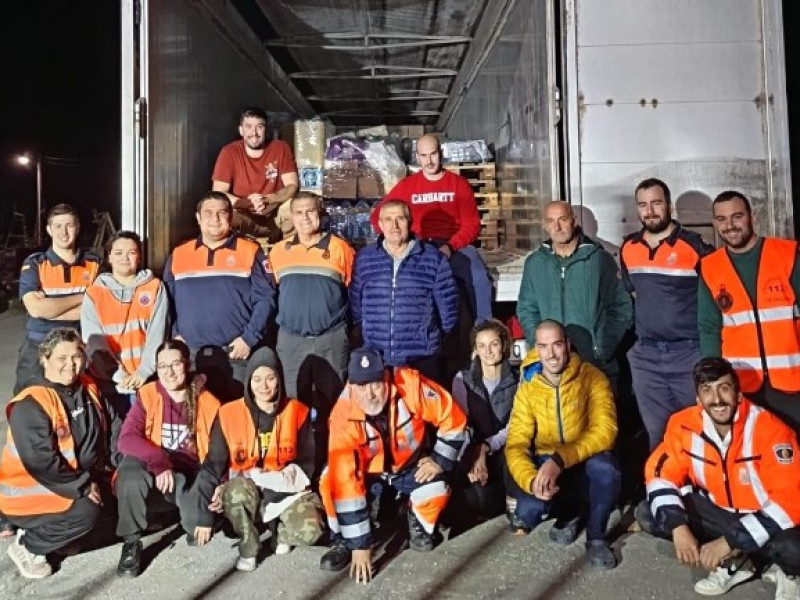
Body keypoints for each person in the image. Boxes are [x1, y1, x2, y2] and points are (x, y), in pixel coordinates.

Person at [641, 357, 800, 599]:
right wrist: (678, 526)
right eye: (707, 390)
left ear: (738, 395)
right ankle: (742, 561)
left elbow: (791, 500)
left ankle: (789, 574)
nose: (716, 399)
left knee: (793, 550)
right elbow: (660, 474)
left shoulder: (771, 430)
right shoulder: (682, 424)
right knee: (649, 513)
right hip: (723, 513)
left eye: (724, 388)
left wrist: (728, 541)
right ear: (698, 399)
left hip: (766, 517)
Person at [318, 348, 467, 583]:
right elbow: (346, 481)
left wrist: (439, 460)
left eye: (376, 384)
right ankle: (342, 539)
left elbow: (453, 417)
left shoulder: (410, 384)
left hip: (409, 466)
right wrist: (360, 545)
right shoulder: (342, 414)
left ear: (386, 378)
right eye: (362, 386)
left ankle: (417, 520)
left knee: (438, 489)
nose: (370, 394)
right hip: (369, 475)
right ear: (351, 386)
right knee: (330, 481)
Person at [0, 327, 121, 579]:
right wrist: (83, 487)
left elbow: (113, 427)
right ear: (44, 360)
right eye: (61, 358)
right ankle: (29, 545)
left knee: (119, 512)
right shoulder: (31, 403)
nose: (71, 365)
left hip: (79, 477)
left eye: (76, 357)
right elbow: (41, 462)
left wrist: (122, 466)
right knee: (86, 513)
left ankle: (61, 537)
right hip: (35, 493)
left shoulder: (88, 386)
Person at [505, 320, 620, 569]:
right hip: (547, 463)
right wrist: (531, 480)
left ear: (567, 345)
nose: (551, 354)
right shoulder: (528, 386)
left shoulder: (592, 377)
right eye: (544, 347)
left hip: (582, 460)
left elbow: (605, 431)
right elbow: (516, 443)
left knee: (607, 469)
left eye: (557, 345)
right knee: (527, 510)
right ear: (536, 348)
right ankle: (570, 513)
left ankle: (597, 536)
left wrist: (560, 459)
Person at [197, 347, 323, 572]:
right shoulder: (228, 413)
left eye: (270, 378)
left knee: (310, 530)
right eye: (256, 379)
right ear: (248, 381)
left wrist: (275, 487)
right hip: (246, 490)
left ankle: (280, 529)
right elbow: (213, 464)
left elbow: (307, 464)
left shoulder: (298, 411)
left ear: (280, 380)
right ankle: (249, 548)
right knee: (236, 492)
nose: (263, 386)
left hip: (285, 490)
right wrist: (203, 515)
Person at [114, 339, 221, 578]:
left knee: (197, 530)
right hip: (154, 466)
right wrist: (159, 460)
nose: (169, 372)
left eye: (175, 364)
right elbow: (126, 439)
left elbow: (218, 453)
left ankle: (178, 511)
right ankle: (131, 541)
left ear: (187, 364)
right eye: (162, 366)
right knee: (130, 473)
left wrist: (219, 486)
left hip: (186, 473)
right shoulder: (149, 394)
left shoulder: (209, 402)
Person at [620, 179, 714, 449]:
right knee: (659, 437)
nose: (650, 211)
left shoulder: (694, 247)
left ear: (669, 206)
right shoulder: (629, 248)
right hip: (647, 358)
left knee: (699, 432)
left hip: (688, 355)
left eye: (656, 203)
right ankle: (663, 489)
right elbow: (634, 294)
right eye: (643, 205)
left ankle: (701, 490)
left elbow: (716, 299)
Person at [698, 190, 800, 434]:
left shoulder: (786, 255)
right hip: (742, 386)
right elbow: (709, 328)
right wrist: (713, 382)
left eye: (737, 217)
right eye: (721, 220)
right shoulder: (710, 268)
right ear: (714, 223)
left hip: (792, 385)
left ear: (751, 217)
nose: (730, 226)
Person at [268, 192, 355, 471]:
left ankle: (334, 465)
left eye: (310, 212)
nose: (305, 218)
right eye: (299, 213)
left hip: (331, 338)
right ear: (291, 218)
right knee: (293, 406)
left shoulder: (341, 249)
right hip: (291, 340)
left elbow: (355, 293)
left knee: (335, 404)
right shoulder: (279, 252)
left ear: (321, 214)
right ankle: (297, 468)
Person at [163, 191, 277, 402]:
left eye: (221, 213)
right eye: (208, 213)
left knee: (236, 422)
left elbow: (266, 299)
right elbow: (166, 303)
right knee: (196, 419)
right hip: (193, 356)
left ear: (231, 217)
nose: (214, 219)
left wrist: (248, 339)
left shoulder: (250, 250)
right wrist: (176, 334)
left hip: (236, 356)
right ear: (198, 218)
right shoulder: (179, 254)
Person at [371, 133, 492, 324]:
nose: (429, 161)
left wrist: (450, 247)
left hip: (455, 246)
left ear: (441, 153)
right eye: (424, 156)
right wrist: (399, 244)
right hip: (419, 247)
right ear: (417, 157)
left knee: (478, 277)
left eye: (433, 154)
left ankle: (484, 332)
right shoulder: (408, 187)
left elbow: (471, 225)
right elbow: (377, 216)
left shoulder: (458, 185)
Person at [517, 201, 632, 384]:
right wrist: (543, 347)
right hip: (552, 369)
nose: (557, 226)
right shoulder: (535, 263)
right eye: (551, 221)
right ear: (544, 225)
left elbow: (621, 307)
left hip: (594, 367)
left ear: (574, 221)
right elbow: (527, 309)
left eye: (563, 219)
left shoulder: (599, 259)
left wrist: (600, 348)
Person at [350, 199, 458, 383]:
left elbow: (449, 310)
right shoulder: (365, 259)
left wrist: (428, 337)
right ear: (380, 225)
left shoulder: (433, 259)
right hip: (378, 357)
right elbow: (356, 304)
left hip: (421, 358)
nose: (395, 225)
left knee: (423, 411)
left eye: (400, 218)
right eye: (389, 219)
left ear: (410, 222)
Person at [15, 203, 101, 394]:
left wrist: (50, 311)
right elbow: (36, 309)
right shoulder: (35, 264)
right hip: (38, 346)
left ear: (77, 228)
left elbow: (98, 309)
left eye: (69, 225)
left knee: (78, 405)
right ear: (49, 230)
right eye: (58, 226)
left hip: (77, 346)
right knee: (30, 402)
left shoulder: (93, 264)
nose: (64, 232)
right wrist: (84, 296)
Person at [81, 230, 168, 416]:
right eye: (119, 252)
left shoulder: (154, 287)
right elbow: (93, 341)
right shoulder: (94, 293)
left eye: (132, 252)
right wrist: (118, 375)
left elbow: (157, 333)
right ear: (109, 257)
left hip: (145, 378)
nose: (125, 258)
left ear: (139, 256)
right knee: (113, 435)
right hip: (108, 380)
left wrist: (144, 371)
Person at [450, 319, 518, 523]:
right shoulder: (462, 379)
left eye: (494, 344)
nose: (488, 351)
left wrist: (486, 447)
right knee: (480, 502)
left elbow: (516, 424)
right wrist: (471, 455)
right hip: (473, 448)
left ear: (504, 345)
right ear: (475, 350)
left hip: (505, 447)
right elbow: (459, 424)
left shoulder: (519, 378)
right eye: (482, 345)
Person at [212, 107, 298, 241]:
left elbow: (292, 186)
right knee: (220, 210)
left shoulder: (281, 147)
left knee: (298, 207)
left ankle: (286, 251)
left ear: (266, 129)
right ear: (241, 130)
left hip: (275, 214)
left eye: (260, 127)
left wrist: (267, 200)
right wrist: (246, 203)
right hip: (244, 214)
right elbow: (218, 192)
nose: (254, 132)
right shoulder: (229, 152)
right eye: (248, 127)